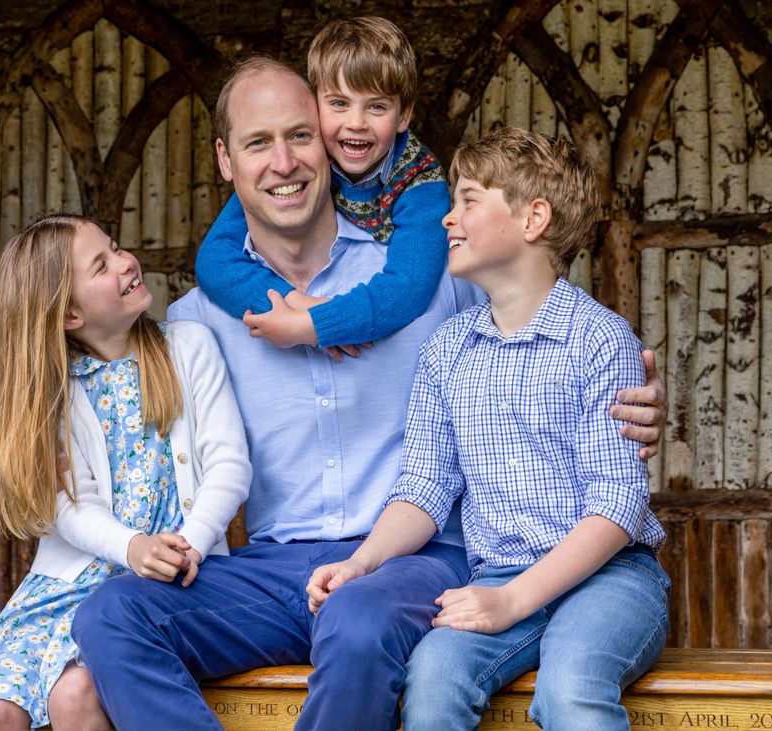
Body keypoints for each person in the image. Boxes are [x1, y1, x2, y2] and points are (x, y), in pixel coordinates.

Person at [72, 60, 666, 731]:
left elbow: (540, 331)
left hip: (416, 561)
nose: (284, 161)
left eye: (300, 136)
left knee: (358, 620)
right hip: (275, 570)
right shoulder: (194, 322)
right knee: (111, 613)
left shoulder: (428, 276)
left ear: (328, 145)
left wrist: (639, 399)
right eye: (257, 143)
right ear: (225, 160)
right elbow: (97, 381)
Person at [306, 127, 670, 731]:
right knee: (433, 680)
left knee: (570, 688)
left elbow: (618, 503)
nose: (449, 218)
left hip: (612, 579)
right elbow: (424, 488)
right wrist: (361, 563)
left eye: (469, 200)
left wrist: (512, 601)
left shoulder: (599, 340)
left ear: (534, 219)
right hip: (499, 573)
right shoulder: (447, 351)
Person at [0, 214, 251, 731]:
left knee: (75, 696)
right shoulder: (54, 393)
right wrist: (132, 546)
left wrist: (191, 544)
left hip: (172, 578)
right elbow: (69, 508)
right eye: (102, 264)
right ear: (69, 313)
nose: (126, 261)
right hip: (67, 586)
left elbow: (229, 464)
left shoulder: (189, 348)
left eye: (115, 248)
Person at [194, 16, 449, 354]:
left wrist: (317, 325)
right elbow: (213, 261)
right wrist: (293, 303)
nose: (355, 123)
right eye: (339, 104)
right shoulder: (310, 161)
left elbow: (409, 288)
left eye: (376, 106)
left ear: (403, 117)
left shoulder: (421, 182)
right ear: (315, 106)